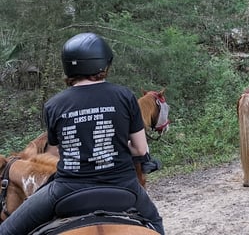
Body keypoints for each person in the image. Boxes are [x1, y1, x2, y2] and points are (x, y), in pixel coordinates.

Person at [0, 32, 164, 235]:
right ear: (104, 64)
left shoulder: (53, 105)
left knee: (6, 230)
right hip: (123, 185)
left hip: (67, 189)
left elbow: (52, 155)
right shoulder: (124, 96)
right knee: (155, 224)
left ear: (68, 66)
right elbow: (140, 149)